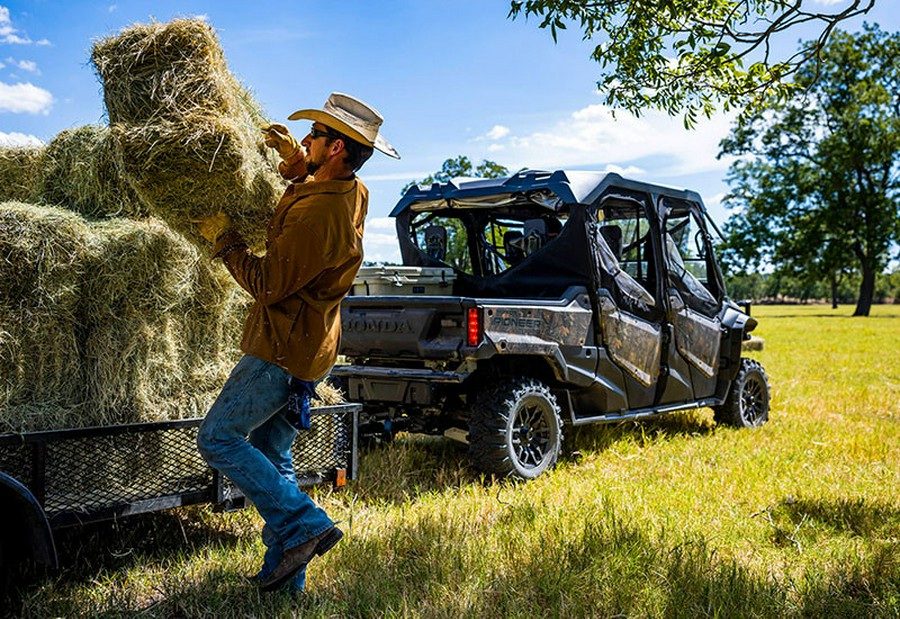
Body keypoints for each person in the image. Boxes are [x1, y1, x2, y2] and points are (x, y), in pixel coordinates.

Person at [194, 92, 399, 593]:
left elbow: (267, 283)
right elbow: (313, 197)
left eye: (314, 135)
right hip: (314, 348)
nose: (304, 138)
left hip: (280, 350)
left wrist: (225, 240)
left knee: (217, 438)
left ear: (334, 150)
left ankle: (304, 522)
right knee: (273, 451)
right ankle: (287, 584)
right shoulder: (354, 190)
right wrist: (295, 164)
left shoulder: (317, 218)